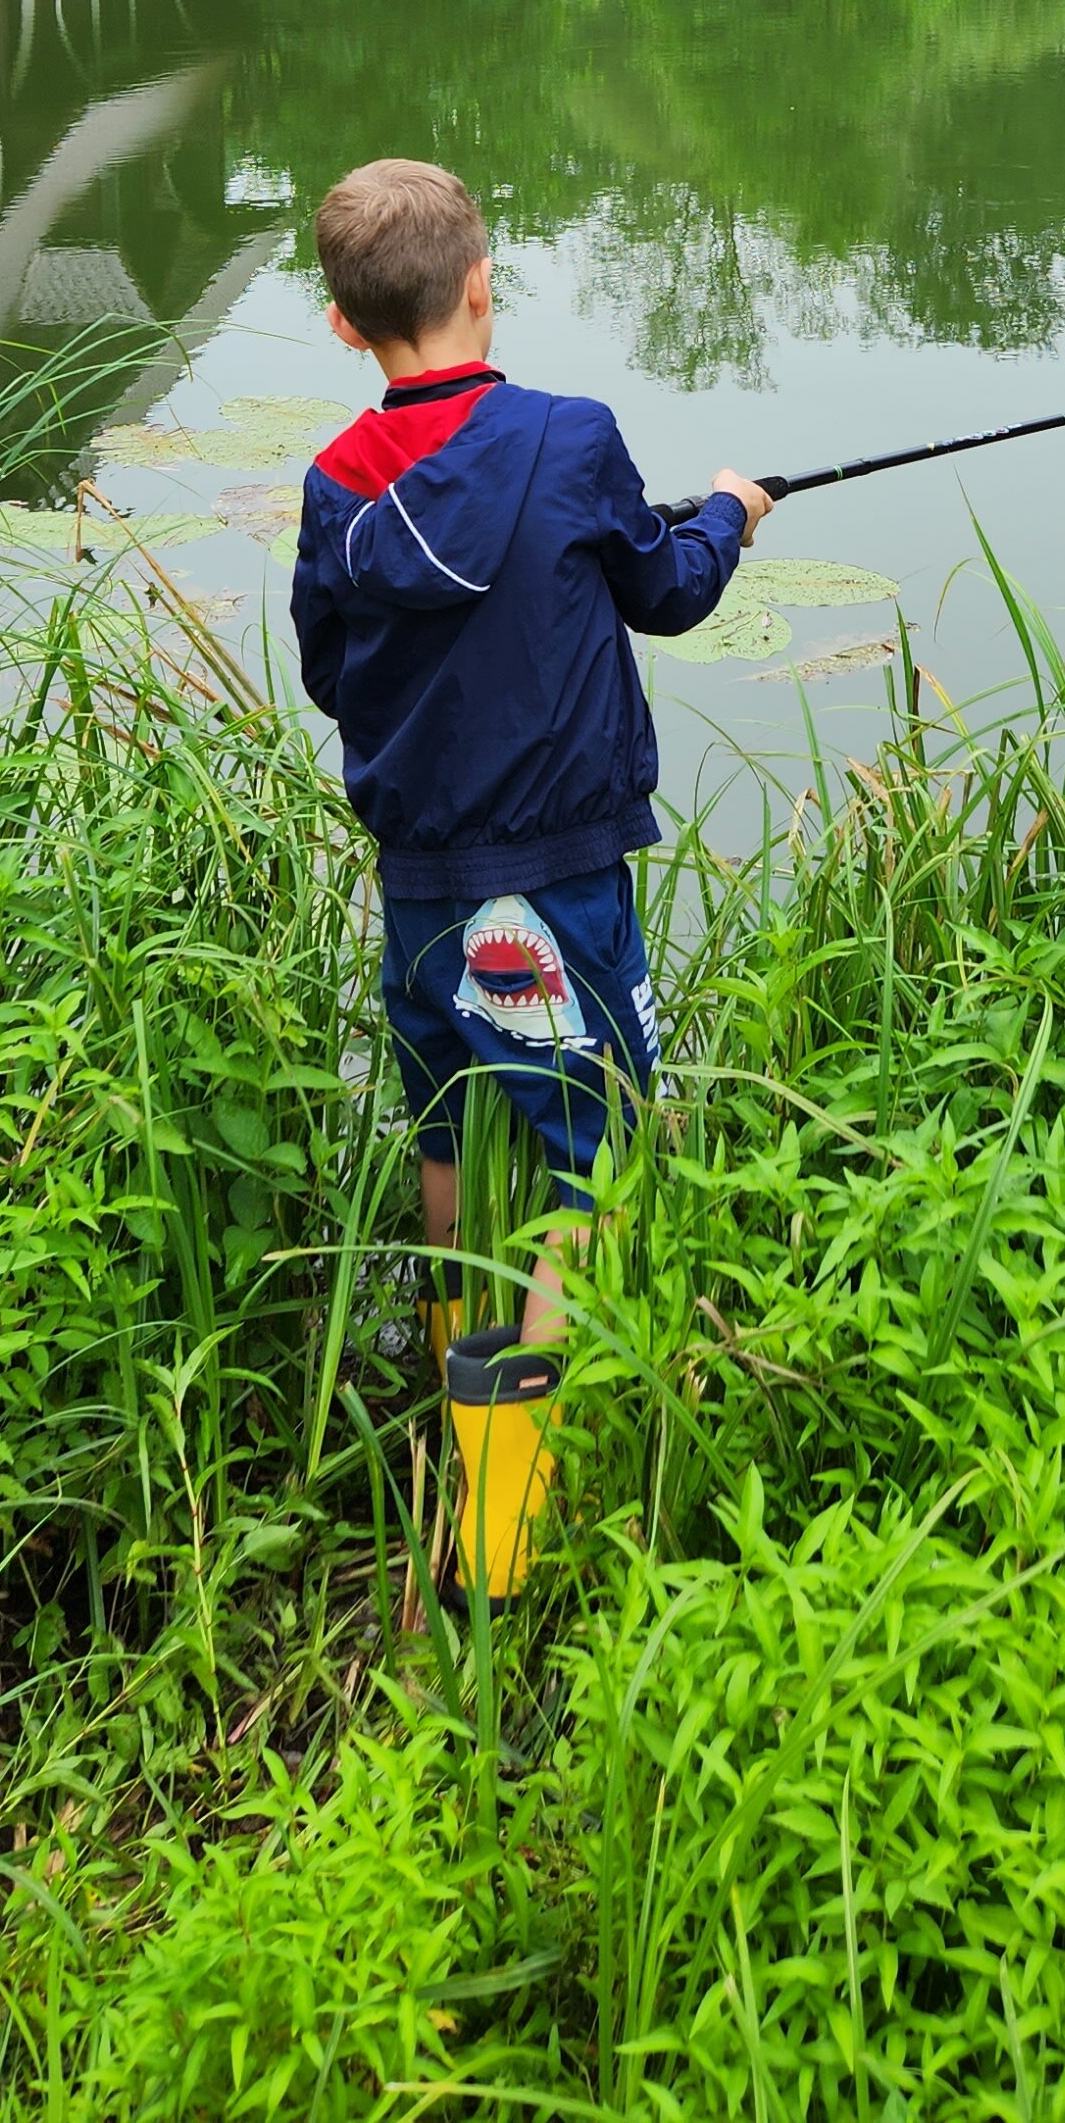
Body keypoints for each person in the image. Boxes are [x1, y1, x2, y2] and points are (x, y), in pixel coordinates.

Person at [289, 156, 769, 1597]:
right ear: (485, 287)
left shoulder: (335, 485)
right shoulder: (570, 438)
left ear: (342, 325)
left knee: (445, 1122)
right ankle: (497, 1536)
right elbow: (665, 589)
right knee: (601, 1148)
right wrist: (732, 511)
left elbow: (332, 672)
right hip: (552, 887)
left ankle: (446, 1353)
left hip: (424, 887)